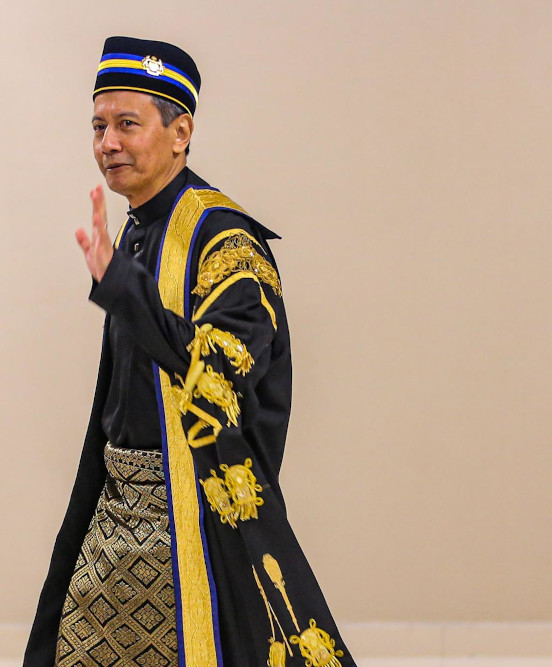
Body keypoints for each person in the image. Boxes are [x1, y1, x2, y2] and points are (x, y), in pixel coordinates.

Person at [24, 36, 356, 667]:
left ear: (181, 132)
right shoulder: (139, 225)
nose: (107, 144)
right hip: (116, 513)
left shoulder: (228, 241)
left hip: (190, 524)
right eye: (98, 126)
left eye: (127, 124)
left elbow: (218, 378)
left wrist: (120, 287)